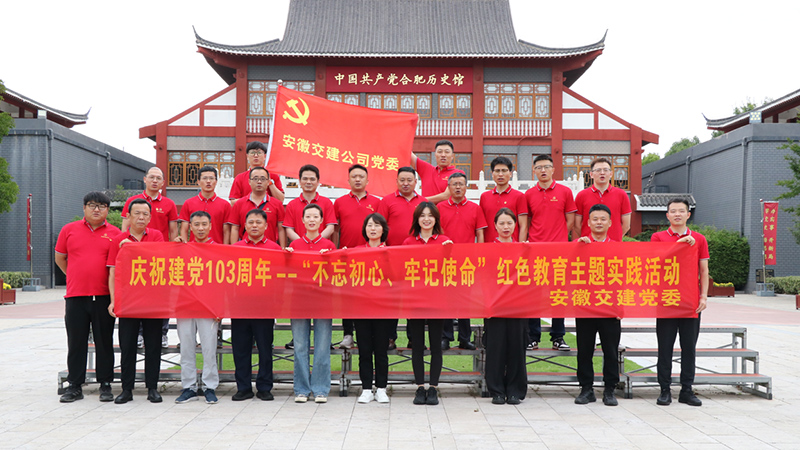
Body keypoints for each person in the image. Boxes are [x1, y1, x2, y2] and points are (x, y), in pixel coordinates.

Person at [55, 191, 121, 403]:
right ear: (84, 208)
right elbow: (60, 258)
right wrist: (75, 276)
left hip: (103, 297)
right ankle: (75, 385)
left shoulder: (115, 233)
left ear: (107, 210)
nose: (96, 209)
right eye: (92, 205)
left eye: (102, 206)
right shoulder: (69, 230)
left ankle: (106, 384)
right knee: (76, 342)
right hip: (76, 296)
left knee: (104, 342)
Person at [651, 197, 709, 407]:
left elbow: (704, 270)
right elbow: (655, 262)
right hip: (666, 301)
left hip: (690, 302)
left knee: (689, 348)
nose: (677, 214)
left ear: (688, 214)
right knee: (665, 348)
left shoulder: (699, 239)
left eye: (681, 211)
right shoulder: (657, 237)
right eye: (673, 211)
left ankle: (686, 390)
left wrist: (703, 296)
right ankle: (664, 390)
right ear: (667, 215)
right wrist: (679, 245)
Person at [107, 199, 165, 404]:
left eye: (145, 214)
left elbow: (158, 260)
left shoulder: (156, 236)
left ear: (150, 217)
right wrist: (113, 301)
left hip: (152, 302)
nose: (141, 217)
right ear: (129, 216)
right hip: (128, 301)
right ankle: (127, 389)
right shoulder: (118, 239)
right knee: (128, 346)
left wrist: (133, 247)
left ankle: (152, 388)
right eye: (137, 213)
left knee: (153, 346)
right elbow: (113, 273)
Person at [121, 166, 178, 349]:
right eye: (151, 177)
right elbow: (124, 228)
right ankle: (138, 333)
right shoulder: (132, 201)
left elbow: (173, 232)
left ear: (163, 183)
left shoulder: (169, 204)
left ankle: (162, 332)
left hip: (160, 259)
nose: (155, 181)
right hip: (136, 259)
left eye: (158, 178)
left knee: (161, 295)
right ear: (145, 179)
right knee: (137, 294)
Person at [403, 202, 453, 405]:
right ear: (417, 219)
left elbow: (452, 269)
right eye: (422, 215)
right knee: (417, 346)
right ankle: (419, 387)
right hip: (414, 300)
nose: (426, 219)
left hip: (437, 300)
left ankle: (433, 387)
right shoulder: (408, 242)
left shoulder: (444, 241)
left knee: (435, 346)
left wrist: (450, 252)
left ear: (436, 219)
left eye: (430, 215)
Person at [525, 154, 576, 352]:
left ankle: (558, 336)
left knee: (558, 293)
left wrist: (559, 238)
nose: (543, 170)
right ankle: (533, 336)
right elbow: (528, 221)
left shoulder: (565, 192)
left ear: (553, 169)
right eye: (539, 167)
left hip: (559, 252)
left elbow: (570, 220)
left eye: (546, 167)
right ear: (534, 171)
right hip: (536, 250)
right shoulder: (529, 194)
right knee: (534, 295)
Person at [229, 209, 282, 402]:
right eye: (250, 222)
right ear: (245, 225)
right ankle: (243, 387)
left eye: (258, 222)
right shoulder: (235, 248)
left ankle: (264, 387)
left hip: (264, 308)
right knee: (240, 350)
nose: (254, 225)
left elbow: (280, 278)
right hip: (240, 307)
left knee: (265, 349)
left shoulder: (274, 248)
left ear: (266, 226)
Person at [287, 204, 335, 403]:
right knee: (300, 346)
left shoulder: (329, 246)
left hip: (323, 302)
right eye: (308, 216)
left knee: (322, 346)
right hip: (299, 301)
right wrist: (286, 258)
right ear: (302, 220)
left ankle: (321, 389)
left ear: (322, 221)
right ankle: (301, 389)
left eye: (316, 216)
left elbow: (336, 274)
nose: (312, 220)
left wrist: (329, 258)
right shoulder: (295, 245)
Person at [574, 204, 621, 407]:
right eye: (595, 219)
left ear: (610, 223)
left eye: (603, 219)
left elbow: (625, 278)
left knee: (610, 350)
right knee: (584, 350)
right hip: (585, 305)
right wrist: (577, 248)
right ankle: (586, 389)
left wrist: (621, 306)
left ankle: (610, 389)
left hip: (610, 307)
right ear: (588, 222)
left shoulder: (618, 248)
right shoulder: (578, 245)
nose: (599, 222)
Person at [377, 167, 427, 349]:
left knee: (414, 300)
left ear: (415, 182)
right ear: (397, 181)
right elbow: (379, 226)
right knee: (392, 299)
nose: (406, 183)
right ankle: (390, 337)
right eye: (402, 180)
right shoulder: (387, 201)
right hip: (392, 258)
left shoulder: (423, 202)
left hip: (416, 260)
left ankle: (414, 338)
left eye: (409, 180)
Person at [175, 211, 221, 404]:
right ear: (190, 227)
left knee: (209, 349)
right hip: (185, 306)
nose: (200, 228)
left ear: (210, 226)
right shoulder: (181, 249)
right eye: (196, 225)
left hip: (208, 307)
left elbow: (223, 283)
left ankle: (210, 387)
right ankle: (189, 387)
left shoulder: (218, 250)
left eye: (204, 224)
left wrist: (220, 307)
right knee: (186, 347)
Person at [438, 172, 487, 350]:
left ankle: (464, 338)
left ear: (466, 187)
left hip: (467, 262)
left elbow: (480, 234)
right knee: (446, 300)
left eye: (461, 184)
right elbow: (438, 233)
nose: (458, 187)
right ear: (449, 187)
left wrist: (479, 256)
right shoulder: (440, 207)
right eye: (454, 184)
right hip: (446, 261)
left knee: (465, 300)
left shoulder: (475, 208)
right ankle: (446, 337)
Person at [334, 164, 381, 349]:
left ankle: (373, 333)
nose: (358, 179)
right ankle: (348, 334)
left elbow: (382, 228)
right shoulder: (339, 202)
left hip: (371, 259)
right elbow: (336, 230)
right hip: (347, 257)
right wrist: (337, 250)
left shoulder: (377, 202)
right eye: (354, 176)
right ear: (348, 180)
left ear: (368, 180)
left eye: (361, 176)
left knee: (371, 296)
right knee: (348, 297)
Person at [485, 208, 528, 405]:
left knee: (516, 349)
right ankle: (496, 390)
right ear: (495, 226)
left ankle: (515, 391)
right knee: (496, 349)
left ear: (515, 225)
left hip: (518, 307)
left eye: (509, 223)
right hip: (494, 307)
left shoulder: (523, 249)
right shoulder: (487, 250)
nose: (505, 227)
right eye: (501, 223)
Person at [354, 213, 392, 404]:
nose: (373, 228)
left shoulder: (391, 253)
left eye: (377, 225)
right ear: (365, 229)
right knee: (364, 350)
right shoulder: (356, 252)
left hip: (383, 309)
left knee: (381, 351)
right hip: (361, 309)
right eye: (369, 225)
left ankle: (382, 388)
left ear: (383, 230)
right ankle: (367, 388)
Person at [573, 157, 631, 242]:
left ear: (611, 174)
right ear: (591, 174)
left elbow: (626, 225)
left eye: (606, 170)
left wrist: (615, 239)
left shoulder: (621, 194)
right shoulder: (581, 195)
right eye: (598, 170)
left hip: (613, 245)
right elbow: (577, 225)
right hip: (588, 245)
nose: (602, 173)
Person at [227, 166, 285, 246]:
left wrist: (282, 248)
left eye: (263, 179)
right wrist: (234, 249)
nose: (259, 182)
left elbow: (281, 229)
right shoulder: (239, 204)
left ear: (268, 182)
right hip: (245, 248)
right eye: (255, 179)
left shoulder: (277, 204)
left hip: (269, 249)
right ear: (249, 182)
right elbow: (235, 228)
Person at [178, 166, 232, 245]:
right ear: (198, 181)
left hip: (216, 249)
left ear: (216, 181)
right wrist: (185, 247)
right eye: (205, 178)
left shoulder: (225, 205)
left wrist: (224, 249)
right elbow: (184, 229)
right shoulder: (188, 203)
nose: (208, 181)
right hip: (194, 248)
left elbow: (226, 231)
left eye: (211, 178)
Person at [283, 164, 337, 243]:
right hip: (299, 248)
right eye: (305, 179)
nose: (308, 182)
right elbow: (289, 230)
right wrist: (302, 243)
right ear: (300, 181)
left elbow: (330, 227)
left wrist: (316, 242)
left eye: (312, 179)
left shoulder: (327, 203)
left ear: (318, 182)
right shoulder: (292, 205)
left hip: (322, 247)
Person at [479, 157, 528, 243]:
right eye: (497, 171)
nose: (500, 174)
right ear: (492, 174)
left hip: (512, 246)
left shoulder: (519, 196)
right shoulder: (484, 197)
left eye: (504, 171)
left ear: (510, 173)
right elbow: (481, 228)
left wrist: (521, 246)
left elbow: (523, 226)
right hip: (490, 245)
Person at [410, 139, 465, 204]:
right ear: (435, 155)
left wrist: (420, 200)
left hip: (445, 210)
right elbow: (407, 153)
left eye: (447, 152)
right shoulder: (426, 169)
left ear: (452, 156)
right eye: (440, 152)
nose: (443, 155)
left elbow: (446, 196)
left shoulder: (458, 174)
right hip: (427, 210)